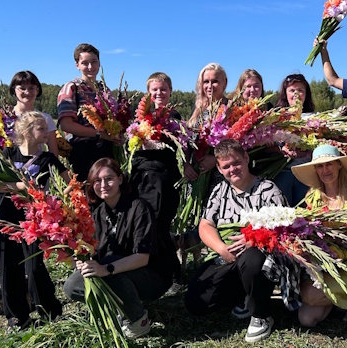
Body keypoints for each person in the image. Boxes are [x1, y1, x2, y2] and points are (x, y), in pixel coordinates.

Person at [184, 139, 287, 343]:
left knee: (252, 258)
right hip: (227, 257)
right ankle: (244, 296)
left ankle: (261, 315)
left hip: (260, 258)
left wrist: (254, 238)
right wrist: (221, 248)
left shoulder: (268, 190)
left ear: (246, 158)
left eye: (236, 163)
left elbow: (283, 230)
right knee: (196, 303)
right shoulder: (220, 191)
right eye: (226, 166)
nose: (233, 169)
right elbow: (205, 225)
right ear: (220, 169)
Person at [63, 158, 176, 338]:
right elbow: (93, 251)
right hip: (115, 273)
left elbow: (142, 257)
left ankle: (139, 321)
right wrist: (82, 259)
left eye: (109, 179)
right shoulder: (97, 212)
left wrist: (104, 269)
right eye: (97, 181)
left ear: (120, 179)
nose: (103, 185)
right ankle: (121, 308)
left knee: (110, 266)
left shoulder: (139, 207)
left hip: (150, 274)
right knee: (72, 285)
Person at [0, 111, 68, 331]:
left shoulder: (48, 159)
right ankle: (17, 317)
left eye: (46, 128)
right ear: (26, 131)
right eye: (41, 128)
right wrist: (19, 187)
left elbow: (70, 180)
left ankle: (49, 309)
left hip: (35, 218)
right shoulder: (8, 154)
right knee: (9, 267)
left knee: (35, 266)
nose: (47, 132)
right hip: (7, 216)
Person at [291, 144, 347, 327]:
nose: (325, 170)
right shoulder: (312, 196)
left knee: (310, 296)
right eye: (320, 166)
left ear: (339, 165)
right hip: (326, 264)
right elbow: (305, 230)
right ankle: (342, 300)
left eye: (329, 164)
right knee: (306, 319)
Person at [130, 72, 197, 285]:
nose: (159, 93)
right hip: (140, 175)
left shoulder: (174, 117)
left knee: (160, 222)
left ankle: (171, 271)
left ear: (170, 92)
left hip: (164, 177)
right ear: (148, 93)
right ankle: (157, 268)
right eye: (155, 90)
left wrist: (186, 163)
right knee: (145, 223)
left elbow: (183, 147)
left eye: (163, 89)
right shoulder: (138, 116)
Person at [57, 43, 120, 181]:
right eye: (85, 63)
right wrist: (98, 134)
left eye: (94, 62)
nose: (90, 67)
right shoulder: (72, 88)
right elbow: (66, 125)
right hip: (83, 151)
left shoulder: (104, 89)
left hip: (106, 149)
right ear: (77, 65)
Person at [272, 73, 315, 206]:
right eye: (292, 90)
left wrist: (308, 151)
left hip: (306, 174)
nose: (296, 94)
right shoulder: (276, 117)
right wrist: (281, 149)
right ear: (285, 94)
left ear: (306, 94)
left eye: (300, 90)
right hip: (282, 172)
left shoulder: (315, 119)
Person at [187, 63, 228, 175]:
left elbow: (239, 144)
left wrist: (216, 159)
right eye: (206, 82)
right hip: (196, 173)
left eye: (215, 81)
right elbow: (188, 141)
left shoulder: (231, 109)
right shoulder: (197, 109)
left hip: (220, 174)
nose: (210, 86)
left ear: (224, 83)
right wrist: (186, 164)